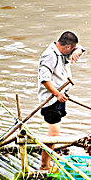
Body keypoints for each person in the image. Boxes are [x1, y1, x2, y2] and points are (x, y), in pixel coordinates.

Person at [37, 31, 85, 170]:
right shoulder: (49, 55)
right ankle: (44, 165)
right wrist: (57, 94)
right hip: (50, 98)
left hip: (60, 96)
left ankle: (47, 162)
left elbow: (80, 48)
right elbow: (44, 79)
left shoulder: (63, 52)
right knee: (53, 134)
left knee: (55, 131)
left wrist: (79, 50)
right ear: (67, 47)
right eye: (73, 49)